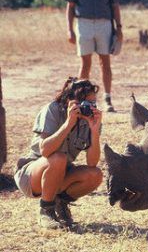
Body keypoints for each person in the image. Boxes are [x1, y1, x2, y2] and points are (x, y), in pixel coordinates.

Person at [14, 78, 103, 229]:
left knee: (95, 175)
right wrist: (69, 123)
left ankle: (60, 204)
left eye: (93, 104)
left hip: (60, 172)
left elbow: (92, 163)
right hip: (31, 174)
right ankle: (46, 211)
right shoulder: (52, 109)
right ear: (71, 100)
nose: (89, 108)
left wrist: (94, 130)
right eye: (86, 104)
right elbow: (45, 150)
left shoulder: (89, 120)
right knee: (58, 158)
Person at [62, 0, 123, 112]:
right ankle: (82, 99)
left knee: (105, 62)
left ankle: (108, 98)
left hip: (104, 24)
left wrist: (119, 28)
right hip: (84, 24)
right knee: (85, 63)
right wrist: (69, 29)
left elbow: (115, 6)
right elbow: (70, 7)